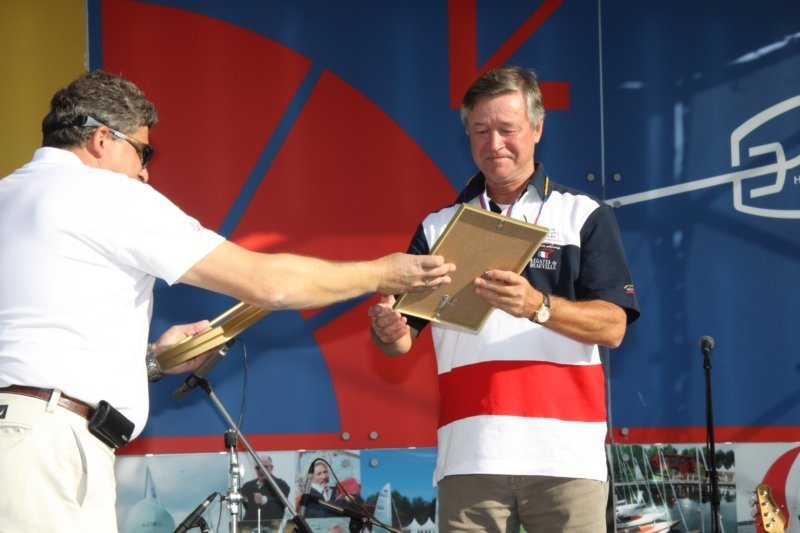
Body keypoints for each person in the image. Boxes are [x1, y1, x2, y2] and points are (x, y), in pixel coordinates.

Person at [0, 70, 455, 533]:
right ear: (101, 139)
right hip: (45, 450)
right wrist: (382, 272)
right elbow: (269, 285)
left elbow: (34, 340)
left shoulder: (8, 194)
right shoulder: (109, 194)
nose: (144, 172)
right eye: (142, 151)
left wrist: (152, 361)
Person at [368, 65, 640, 532]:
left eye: (507, 129)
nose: (494, 143)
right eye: (480, 130)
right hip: (469, 457)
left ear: (537, 128)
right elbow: (400, 339)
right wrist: (386, 329)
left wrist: (538, 305)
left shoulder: (583, 214)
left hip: (566, 459)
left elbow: (613, 326)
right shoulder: (438, 227)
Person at [239, 455, 291, 530]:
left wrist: (264, 499)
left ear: (271, 467)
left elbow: (281, 503)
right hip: (249, 528)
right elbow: (246, 505)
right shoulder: (247, 487)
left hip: (273, 529)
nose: (261, 470)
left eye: (264, 467)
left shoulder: (281, 485)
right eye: (258, 468)